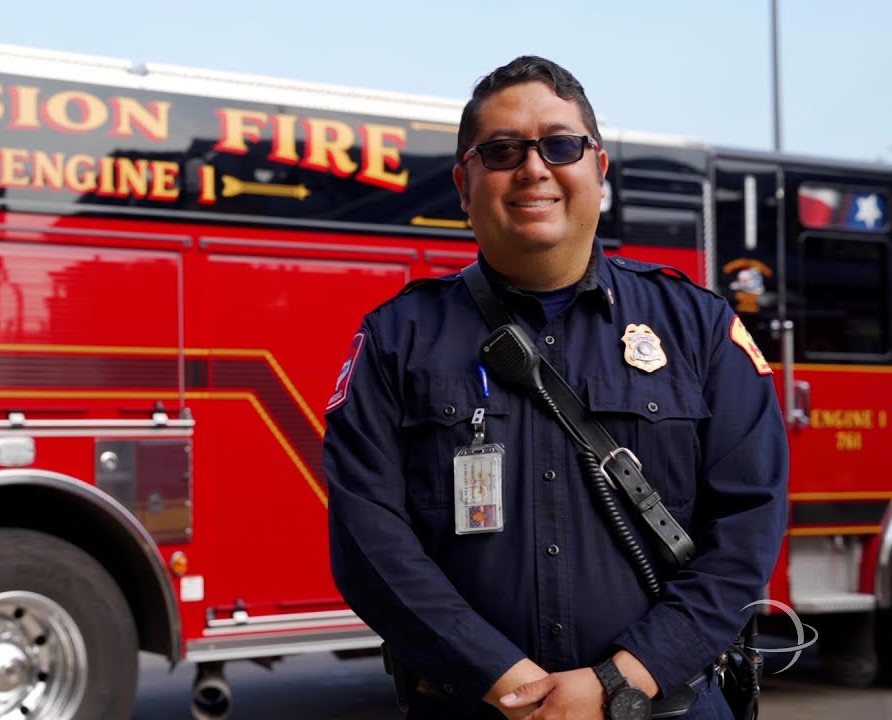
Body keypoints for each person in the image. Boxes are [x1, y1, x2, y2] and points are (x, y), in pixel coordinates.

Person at [323, 56, 788, 720]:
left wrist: (624, 680)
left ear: (598, 169)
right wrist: (505, 681)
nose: (533, 168)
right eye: (503, 150)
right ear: (464, 183)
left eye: (560, 145)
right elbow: (369, 540)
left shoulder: (700, 328)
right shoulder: (398, 339)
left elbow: (749, 527)